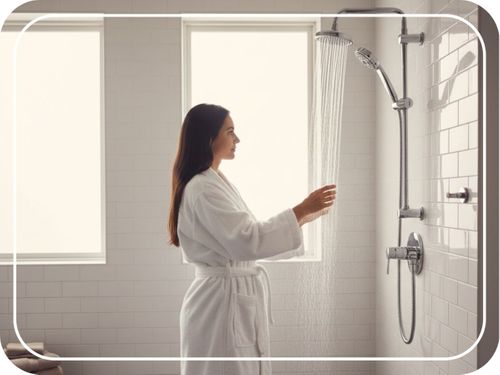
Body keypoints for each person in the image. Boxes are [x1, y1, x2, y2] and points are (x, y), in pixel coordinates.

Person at [168, 103, 336, 375]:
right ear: (209, 138)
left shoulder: (215, 182)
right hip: (219, 306)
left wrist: (304, 217)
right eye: (230, 132)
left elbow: (247, 239)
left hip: (227, 298)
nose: (237, 139)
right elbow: (247, 241)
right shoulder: (202, 187)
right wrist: (301, 209)